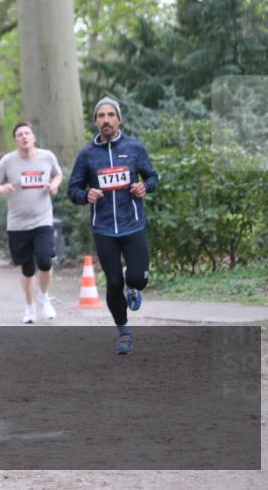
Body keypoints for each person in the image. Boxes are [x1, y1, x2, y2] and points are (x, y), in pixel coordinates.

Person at [67, 97, 158, 355]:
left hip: (133, 224)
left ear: (118, 119)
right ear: (95, 121)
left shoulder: (134, 148)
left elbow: (152, 176)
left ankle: (135, 288)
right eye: (101, 116)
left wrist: (145, 186)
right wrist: (86, 195)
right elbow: (72, 189)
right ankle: (124, 332)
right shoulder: (87, 155)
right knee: (114, 282)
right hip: (104, 228)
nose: (106, 120)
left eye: (110, 115)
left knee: (136, 278)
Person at [0, 122, 63, 323]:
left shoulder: (47, 157)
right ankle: (30, 307)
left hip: (43, 220)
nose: (24, 137)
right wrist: (2, 189)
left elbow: (58, 174)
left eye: (27, 133)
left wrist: (54, 186)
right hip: (18, 224)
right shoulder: (7, 161)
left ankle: (44, 296)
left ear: (33, 137)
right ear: (15, 140)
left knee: (45, 261)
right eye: (20, 134)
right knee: (28, 269)